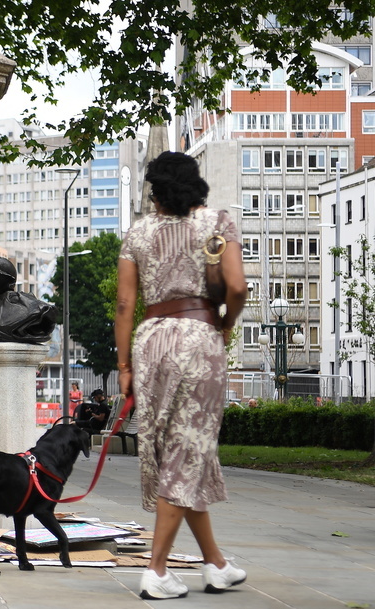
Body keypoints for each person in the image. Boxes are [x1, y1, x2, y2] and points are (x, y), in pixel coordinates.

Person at [115, 151, 248, 600]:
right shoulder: (217, 223)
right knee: (186, 451)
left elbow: (124, 305)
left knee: (182, 451)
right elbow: (238, 287)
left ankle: (217, 565)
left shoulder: (138, 232)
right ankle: (157, 570)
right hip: (198, 339)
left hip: (151, 341)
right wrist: (227, 324)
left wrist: (124, 366)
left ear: (157, 190)